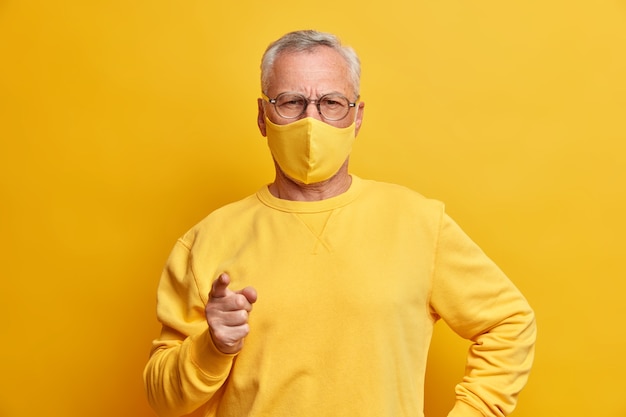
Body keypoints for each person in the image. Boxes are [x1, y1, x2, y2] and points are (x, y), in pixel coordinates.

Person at [143, 30, 536, 417]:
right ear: (263, 116)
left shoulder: (418, 222)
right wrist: (212, 346)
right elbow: (161, 397)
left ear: (357, 116)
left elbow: (509, 323)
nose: (310, 121)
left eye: (331, 102)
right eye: (291, 102)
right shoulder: (208, 240)